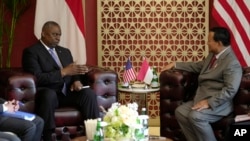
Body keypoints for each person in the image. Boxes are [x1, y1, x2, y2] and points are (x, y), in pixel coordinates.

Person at [22, 21, 100, 141]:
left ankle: (94, 133)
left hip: (66, 92)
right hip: (48, 93)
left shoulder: (65, 51)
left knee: (88, 94)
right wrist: (63, 72)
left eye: (59, 35)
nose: (58, 38)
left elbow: (72, 72)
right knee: (49, 95)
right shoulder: (32, 52)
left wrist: (76, 81)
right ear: (43, 33)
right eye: (54, 34)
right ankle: (47, 137)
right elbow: (37, 78)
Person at [162, 27, 242, 141]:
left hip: (219, 103)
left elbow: (230, 90)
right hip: (201, 98)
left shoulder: (231, 63)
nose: (207, 43)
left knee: (196, 117)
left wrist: (209, 102)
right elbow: (198, 66)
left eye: (210, 40)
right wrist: (175, 64)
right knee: (180, 112)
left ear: (218, 43)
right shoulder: (213, 55)